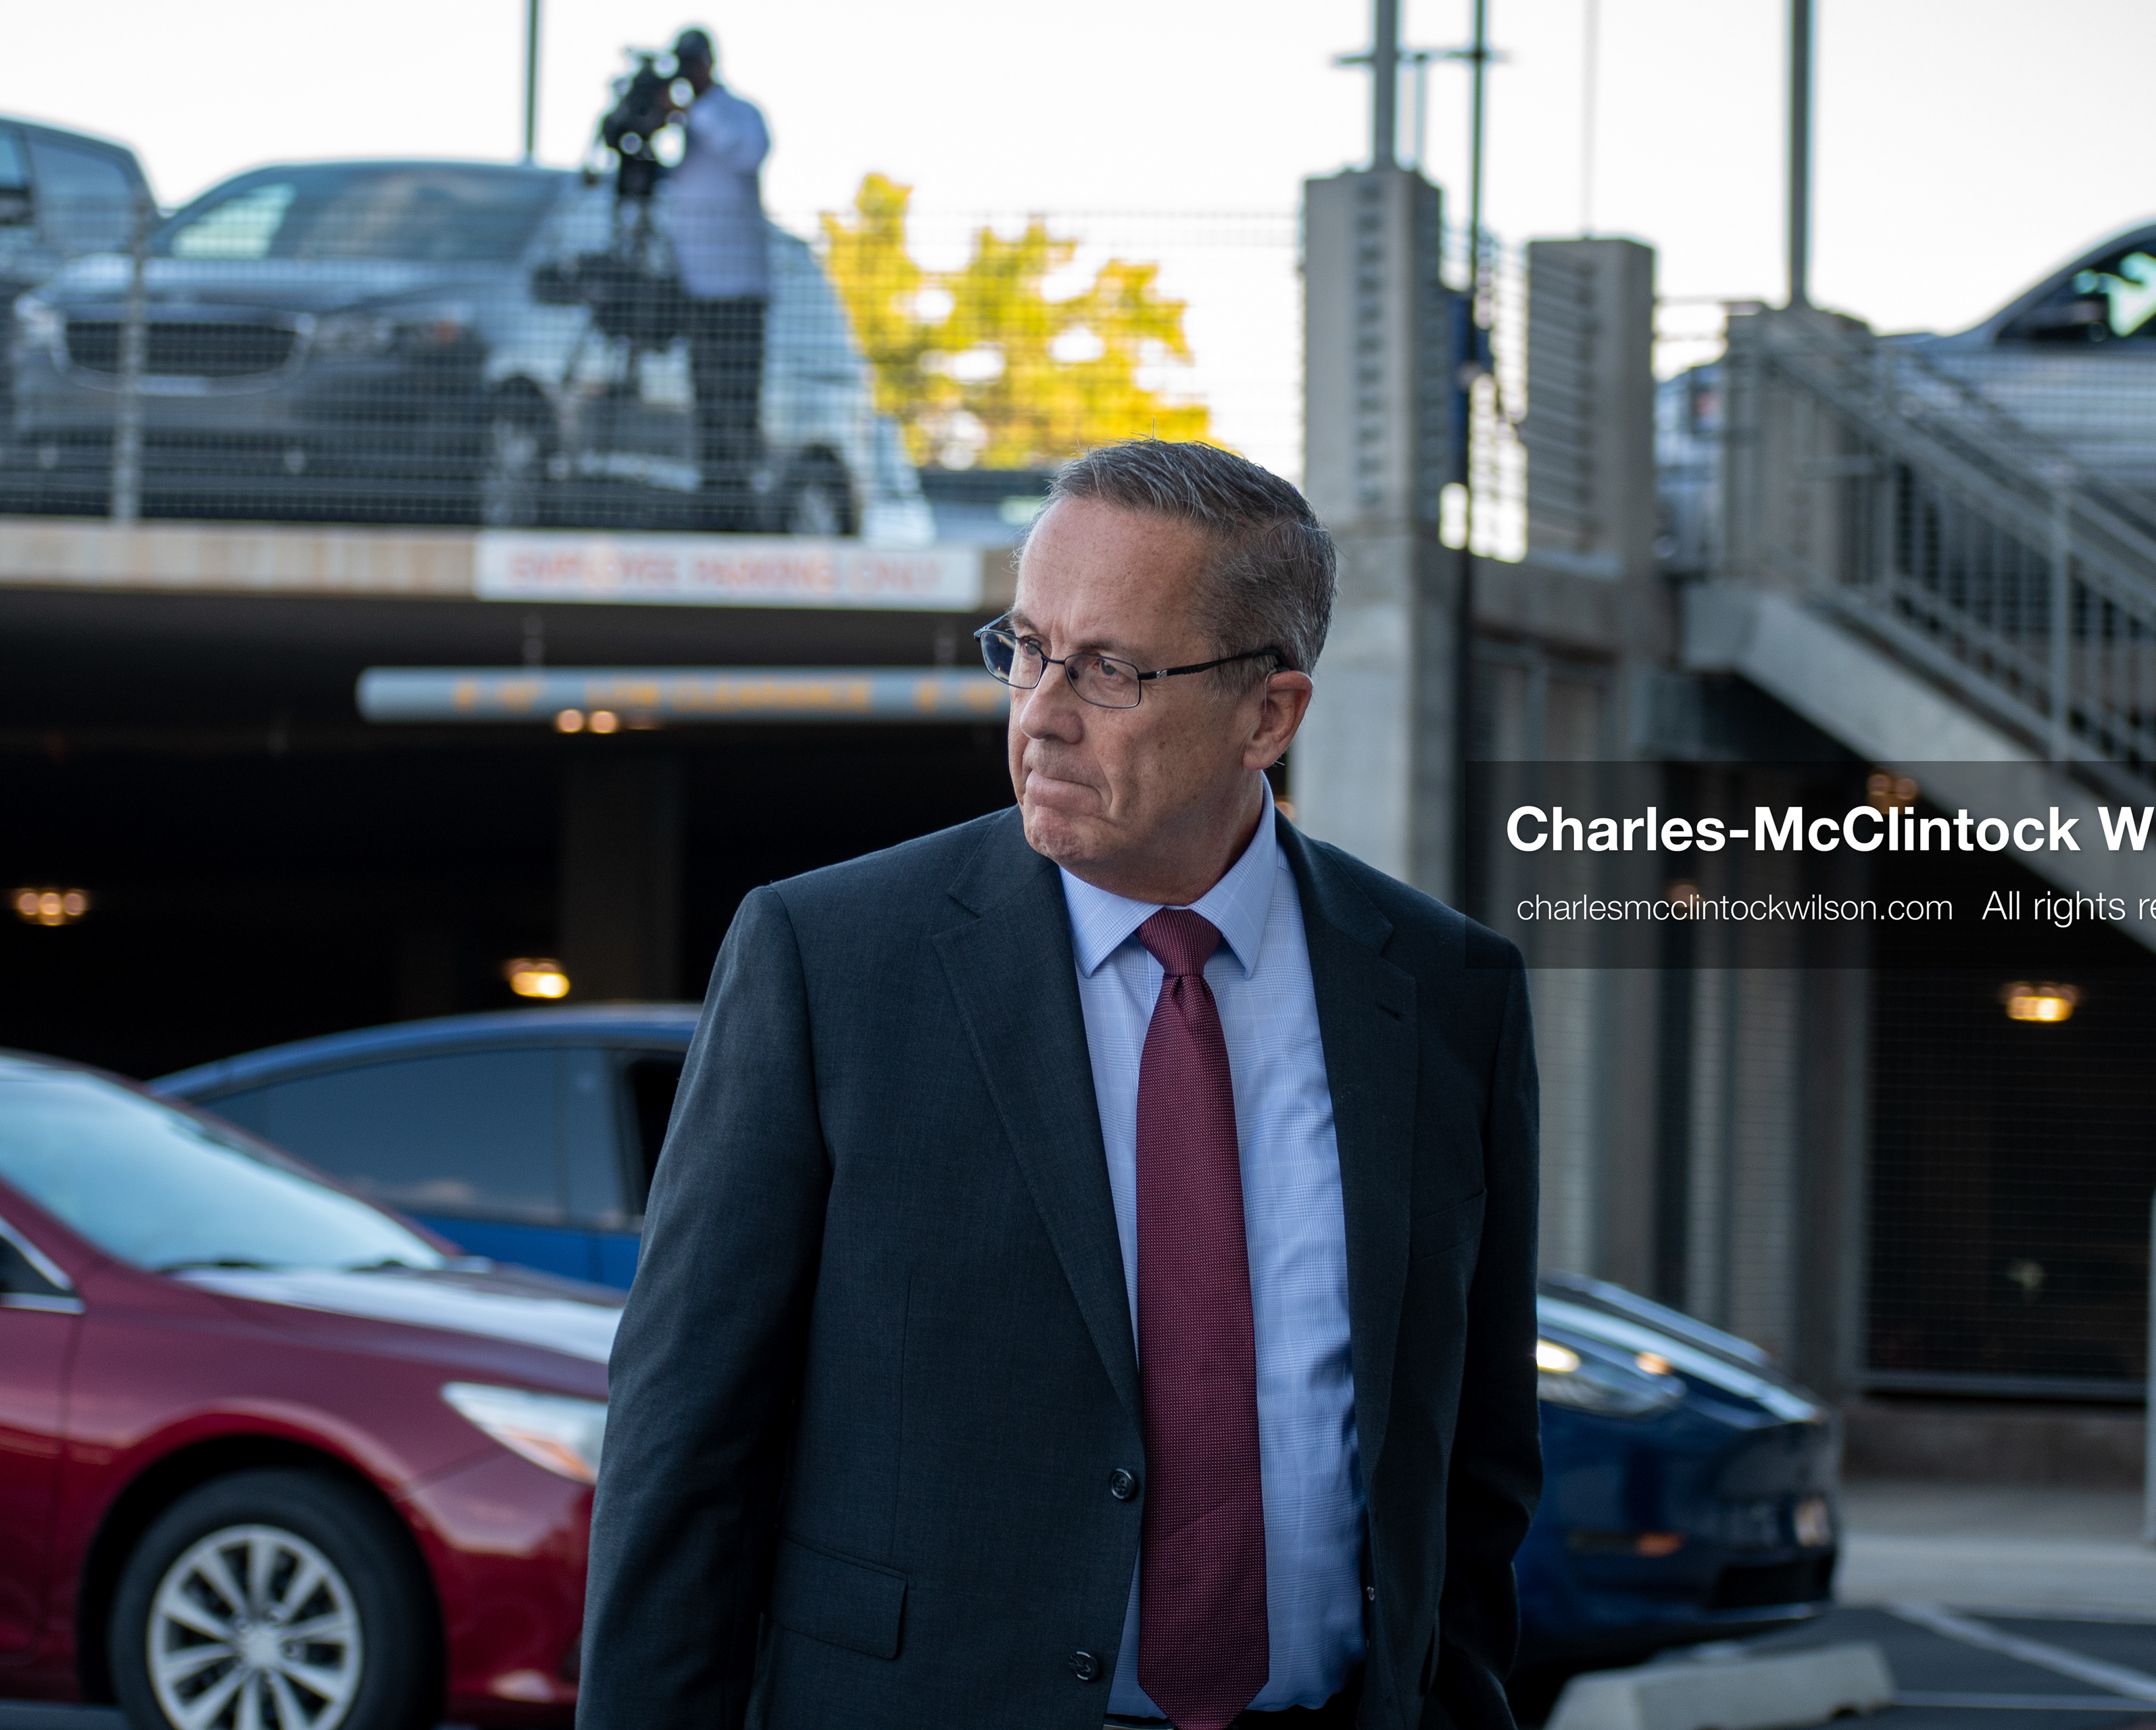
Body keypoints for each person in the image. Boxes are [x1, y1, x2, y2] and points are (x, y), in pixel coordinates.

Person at [578, 439, 1540, 1730]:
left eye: (1109, 670)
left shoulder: (1447, 991)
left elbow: (1477, 1456)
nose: (1041, 711)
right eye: (1027, 649)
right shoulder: (830, 961)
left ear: (1269, 716)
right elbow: (684, 1443)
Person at [662, 26, 771, 533]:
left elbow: (747, 153)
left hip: (739, 292)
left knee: (738, 402)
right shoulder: (683, 131)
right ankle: (711, 502)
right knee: (706, 402)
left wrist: (695, 111)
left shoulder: (736, 114)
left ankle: (740, 505)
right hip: (694, 291)